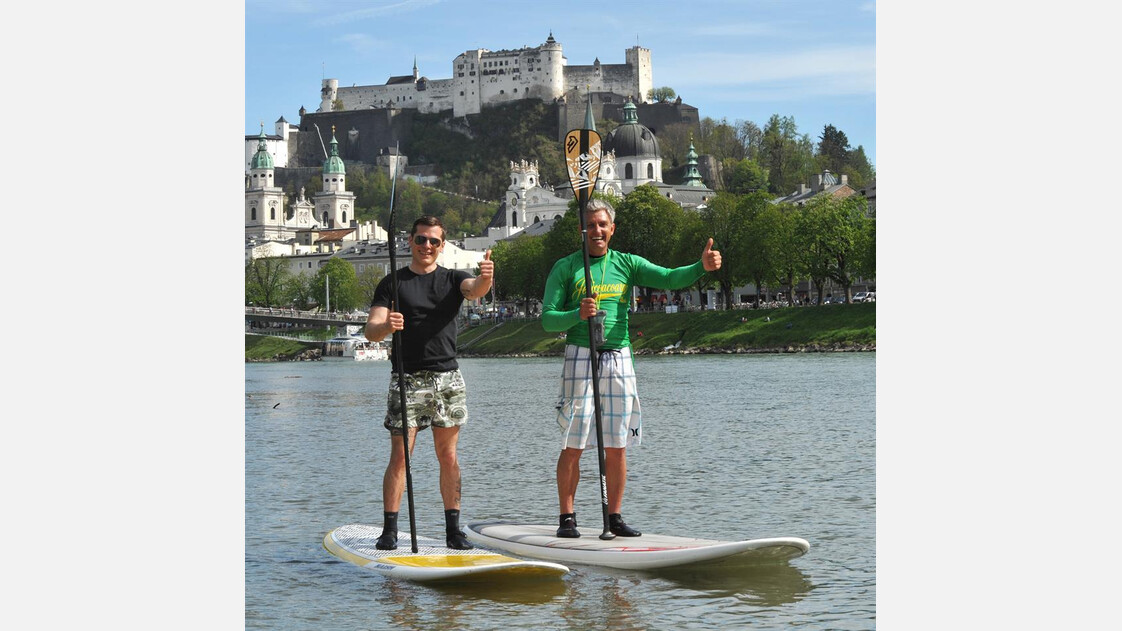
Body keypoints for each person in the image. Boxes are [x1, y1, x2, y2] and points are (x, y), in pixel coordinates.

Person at [541, 198, 721, 538]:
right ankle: (567, 518)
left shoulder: (627, 263)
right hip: (581, 354)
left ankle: (614, 517)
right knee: (573, 443)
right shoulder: (565, 267)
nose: (597, 230)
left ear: (612, 229)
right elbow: (548, 319)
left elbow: (668, 278)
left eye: (602, 225)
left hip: (619, 356)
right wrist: (576, 314)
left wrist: (701, 267)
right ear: (582, 230)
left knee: (617, 444)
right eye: (590, 225)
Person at [365, 215, 493, 550]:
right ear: (410, 241)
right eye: (421, 239)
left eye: (434, 241)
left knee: (448, 456)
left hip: (446, 379)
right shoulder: (392, 283)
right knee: (400, 458)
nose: (427, 246)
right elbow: (371, 330)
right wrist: (387, 327)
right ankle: (389, 530)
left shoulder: (453, 278)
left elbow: (474, 290)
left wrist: (486, 278)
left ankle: (453, 530)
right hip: (406, 379)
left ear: (442, 245)